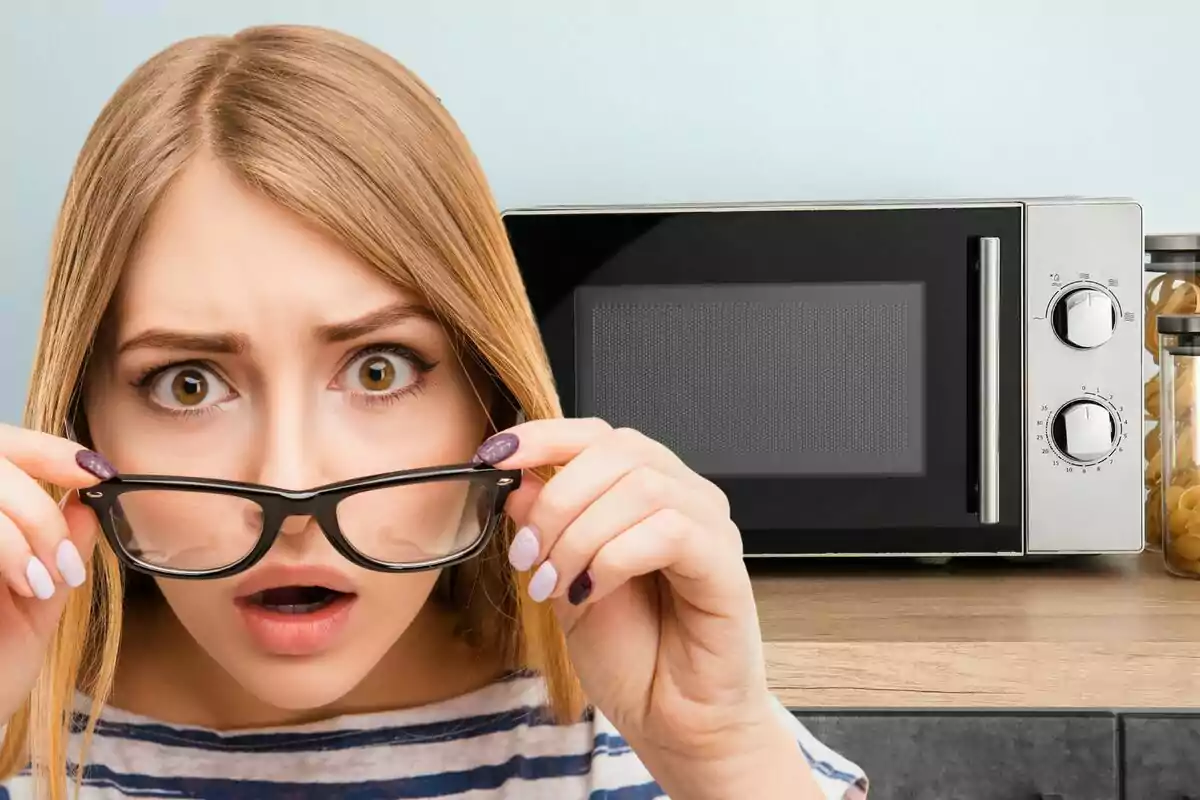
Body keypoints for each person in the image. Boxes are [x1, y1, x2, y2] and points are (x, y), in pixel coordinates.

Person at [0, 24, 868, 800]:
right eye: (187, 383)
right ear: (83, 424)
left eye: (378, 370)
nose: (292, 486)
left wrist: (716, 758)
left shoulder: (655, 730)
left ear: (489, 400)